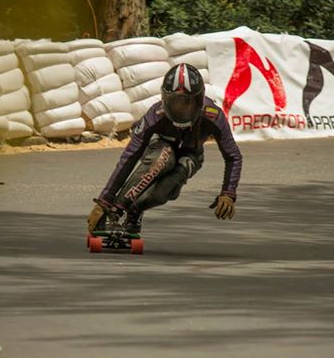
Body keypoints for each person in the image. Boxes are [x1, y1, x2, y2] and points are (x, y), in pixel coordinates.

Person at [87, 63, 243, 235]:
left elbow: (233, 156)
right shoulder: (155, 116)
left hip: (191, 154)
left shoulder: (213, 115)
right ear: (165, 99)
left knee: (166, 190)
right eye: (175, 103)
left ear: (198, 100)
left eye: (187, 103)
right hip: (159, 147)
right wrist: (105, 200)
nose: (181, 109)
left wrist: (228, 192)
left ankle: (135, 212)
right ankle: (115, 210)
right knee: (164, 157)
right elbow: (130, 156)